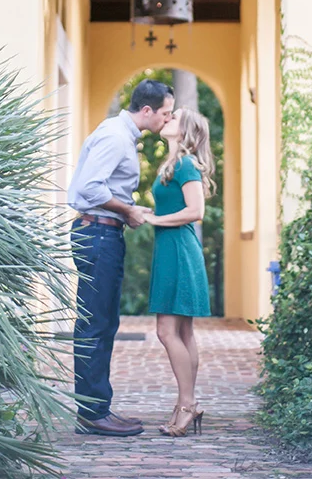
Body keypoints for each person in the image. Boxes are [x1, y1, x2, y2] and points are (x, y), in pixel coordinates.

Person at [67, 79, 174, 437]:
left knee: (103, 323)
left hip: (103, 233)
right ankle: (92, 414)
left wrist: (127, 211)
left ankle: (97, 408)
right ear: (147, 110)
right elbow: (89, 188)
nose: (167, 120)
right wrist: (127, 210)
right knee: (95, 325)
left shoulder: (122, 135)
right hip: (98, 234)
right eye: (165, 113)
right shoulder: (115, 137)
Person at [143, 107, 215, 438]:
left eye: (174, 117)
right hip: (172, 249)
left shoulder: (186, 164)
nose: (167, 118)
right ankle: (186, 403)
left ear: (184, 130)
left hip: (179, 251)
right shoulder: (173, 163)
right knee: (183, 333)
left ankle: (187, 403)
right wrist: (149, 213)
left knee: (167, 331)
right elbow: (174, 206)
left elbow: (196, 210)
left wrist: (155, 220)